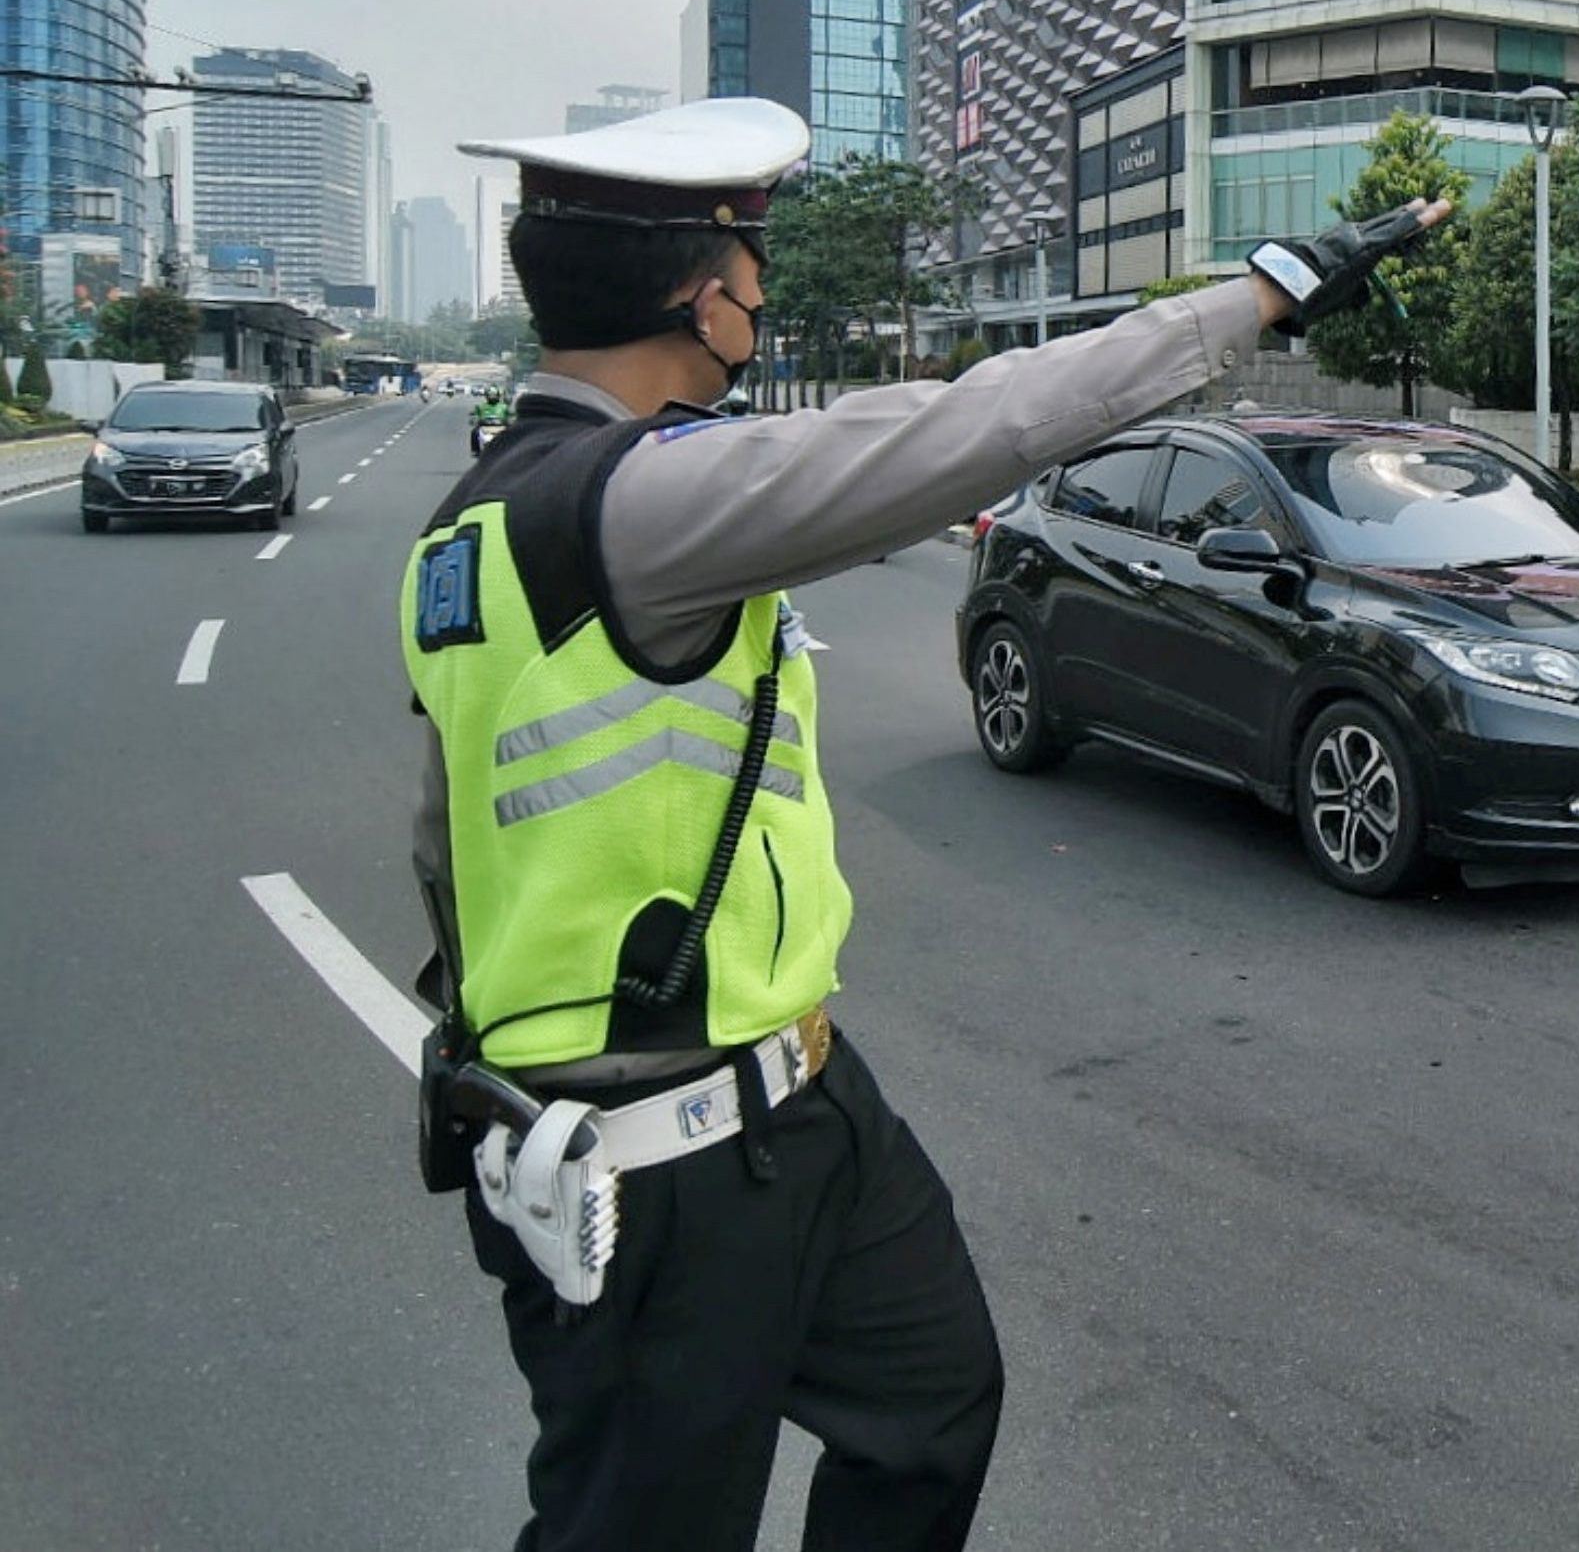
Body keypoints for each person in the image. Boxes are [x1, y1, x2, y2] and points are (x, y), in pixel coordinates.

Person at [402, 95, 1447, 1548]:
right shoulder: (637, 500)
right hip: (661, 1153)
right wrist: (1264, 291)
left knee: (934, 1401)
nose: (761, 291)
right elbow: (975, 426)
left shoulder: (469, 525)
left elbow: (450, 834)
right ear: (694, 297)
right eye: (747, 259)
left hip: (803, 1097)